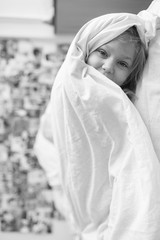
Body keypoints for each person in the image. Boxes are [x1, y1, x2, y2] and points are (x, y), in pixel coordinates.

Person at [50, 9, 160, 240]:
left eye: (122, 63)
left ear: (131, 74)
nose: (108, 66)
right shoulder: (73, 80)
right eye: (102, 52)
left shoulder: (123, 96)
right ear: (87, 48)